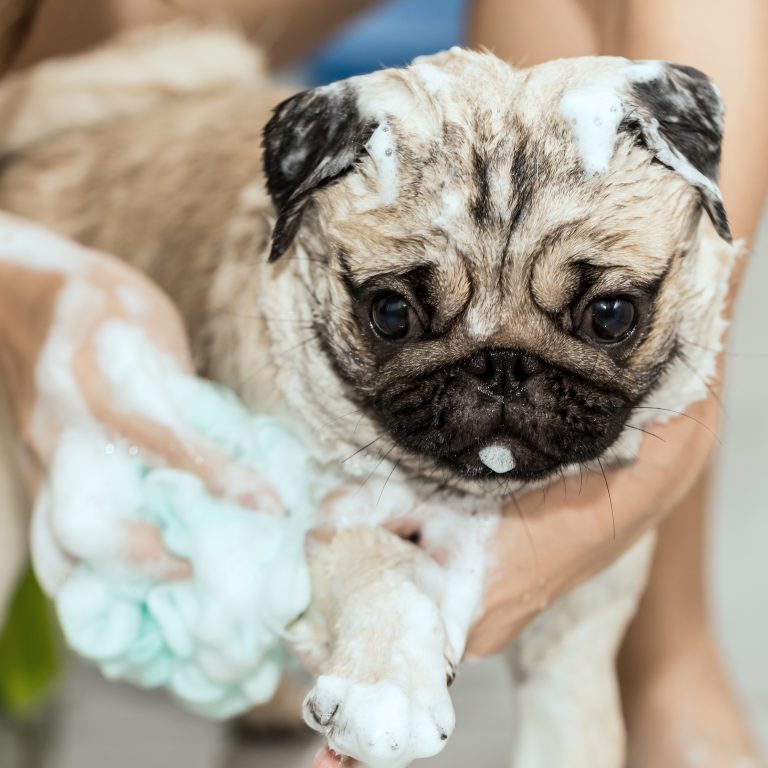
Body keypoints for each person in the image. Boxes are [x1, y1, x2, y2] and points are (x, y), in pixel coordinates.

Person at [1, 1, 766, 766]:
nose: (503, 381)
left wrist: (601, 518)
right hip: (56, 116)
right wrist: (34, 291)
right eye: (397, 316)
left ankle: (667, 666)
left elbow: (705, 258)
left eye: (606, 316)